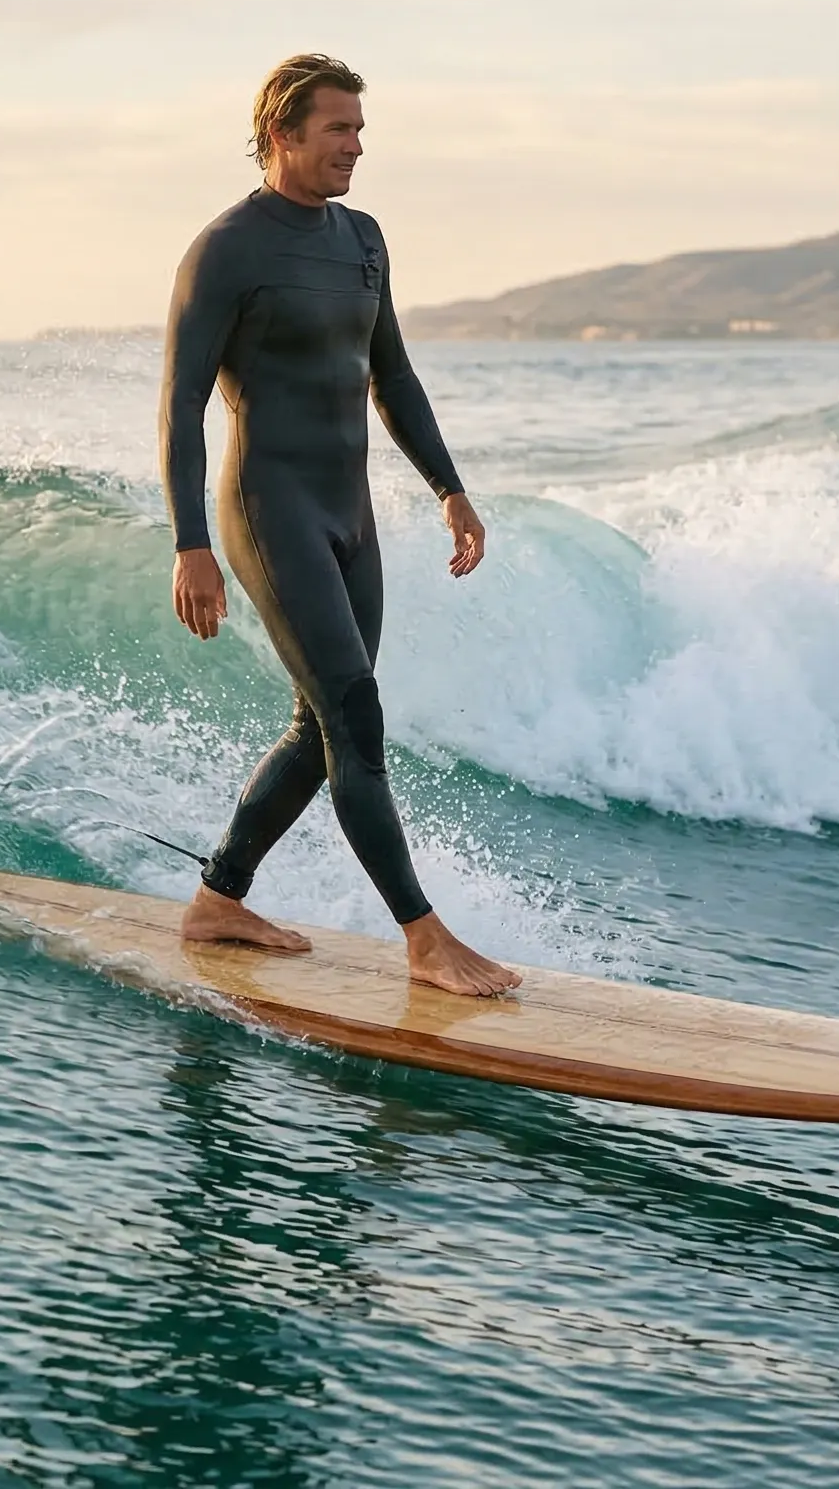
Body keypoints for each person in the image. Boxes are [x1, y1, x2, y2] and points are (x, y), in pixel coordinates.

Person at [160, 54, 521, 997]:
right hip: (266, 511)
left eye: (360, 131)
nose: (355, 147)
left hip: (348, 515)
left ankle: (218, 900)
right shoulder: (228, 248)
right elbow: (180, 404)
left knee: (322, 725)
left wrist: (448, 487)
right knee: (354, 716)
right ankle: (424, 937)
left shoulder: (362, 238)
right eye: (338, 130)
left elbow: (391, 374)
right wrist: (190, 544)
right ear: (282, 133)